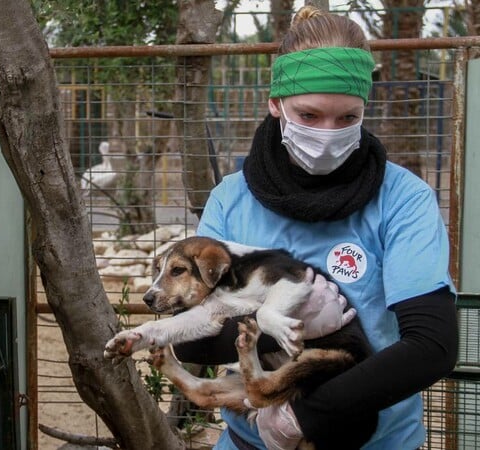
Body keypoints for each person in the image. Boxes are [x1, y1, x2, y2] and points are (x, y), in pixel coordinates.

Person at [173, 5, 458, 450]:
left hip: (373, 441)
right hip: (250, 442)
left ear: (365, 108)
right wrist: (289, 324)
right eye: (308, 116)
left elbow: (431, 346)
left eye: (347, 118)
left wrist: (302, 417)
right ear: (275, 104)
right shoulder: (232, 199)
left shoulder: (404, 199)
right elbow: (194, 341)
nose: (328, 134)